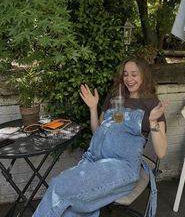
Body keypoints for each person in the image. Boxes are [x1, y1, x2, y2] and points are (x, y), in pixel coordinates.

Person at [33, 56, 167, 217]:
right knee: (71, 206)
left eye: (134, 74)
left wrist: (153, 122)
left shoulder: (152, 105)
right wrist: (92, 108)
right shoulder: (115, 97)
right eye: (125, 74)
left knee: (59, 186)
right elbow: (99, 131)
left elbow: (161, 152)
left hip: (121, 168)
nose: (129, 79)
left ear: (144, 76)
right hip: (95, 160)